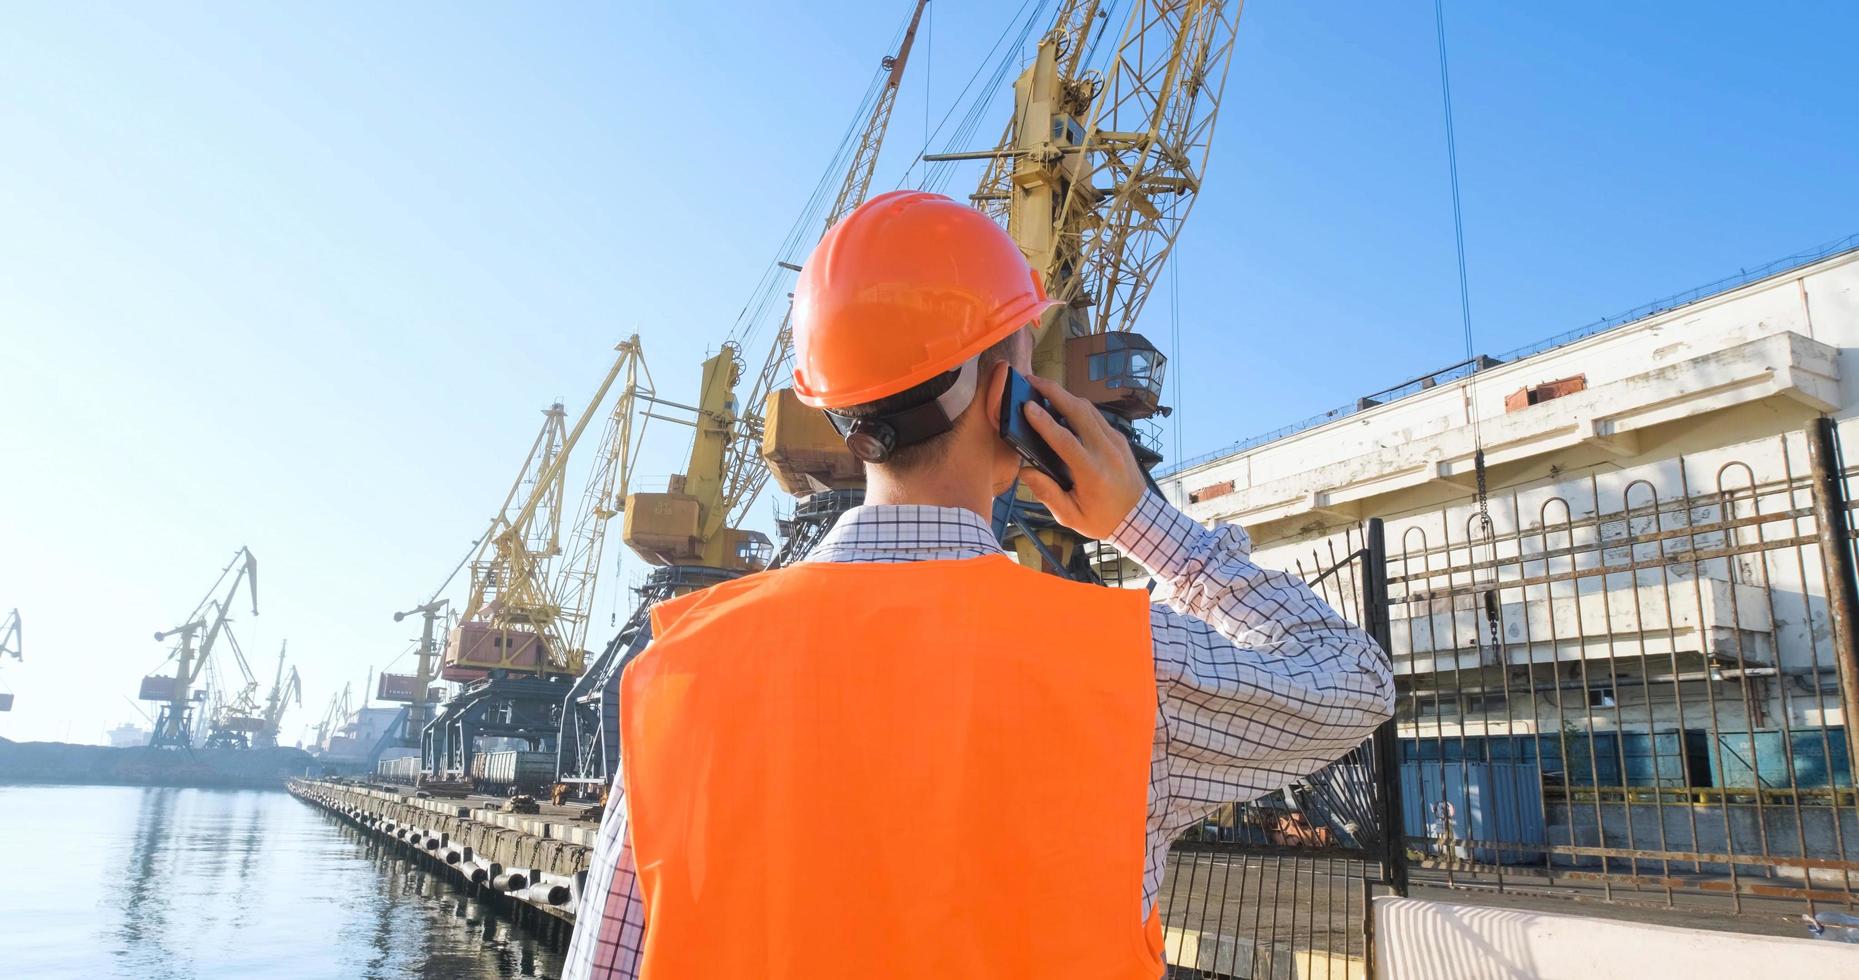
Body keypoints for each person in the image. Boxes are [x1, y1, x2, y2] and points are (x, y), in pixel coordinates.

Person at [563, 191, 1394, 980]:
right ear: (1007, 394)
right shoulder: (1127, 666)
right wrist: (1140, 521)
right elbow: (1354, 679)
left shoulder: (677, 674)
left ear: (841, 413)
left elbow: (609, 959)